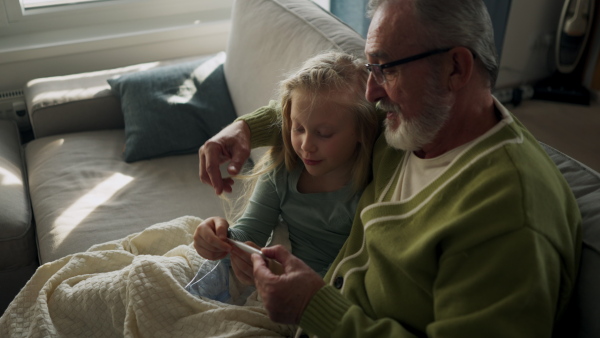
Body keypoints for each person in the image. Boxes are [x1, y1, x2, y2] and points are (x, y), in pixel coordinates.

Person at [198, 0, 582, 337]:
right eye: (371, 68)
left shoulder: (509, 214)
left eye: (387, 69)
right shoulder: (412, 124)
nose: (372, 92)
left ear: (456, 68)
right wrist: (244, 128)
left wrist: (314, 309)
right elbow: (318, 110)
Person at [192, 51, 379, 292]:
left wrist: (280, 272)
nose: (306, 145)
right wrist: (218, 238)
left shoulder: (369, 191)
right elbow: (249, 234)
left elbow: (360, 276)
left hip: (326, 298)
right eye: (298, 128)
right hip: (272, 282)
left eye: (323, 133)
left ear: (361, 132)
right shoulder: (282, 172)